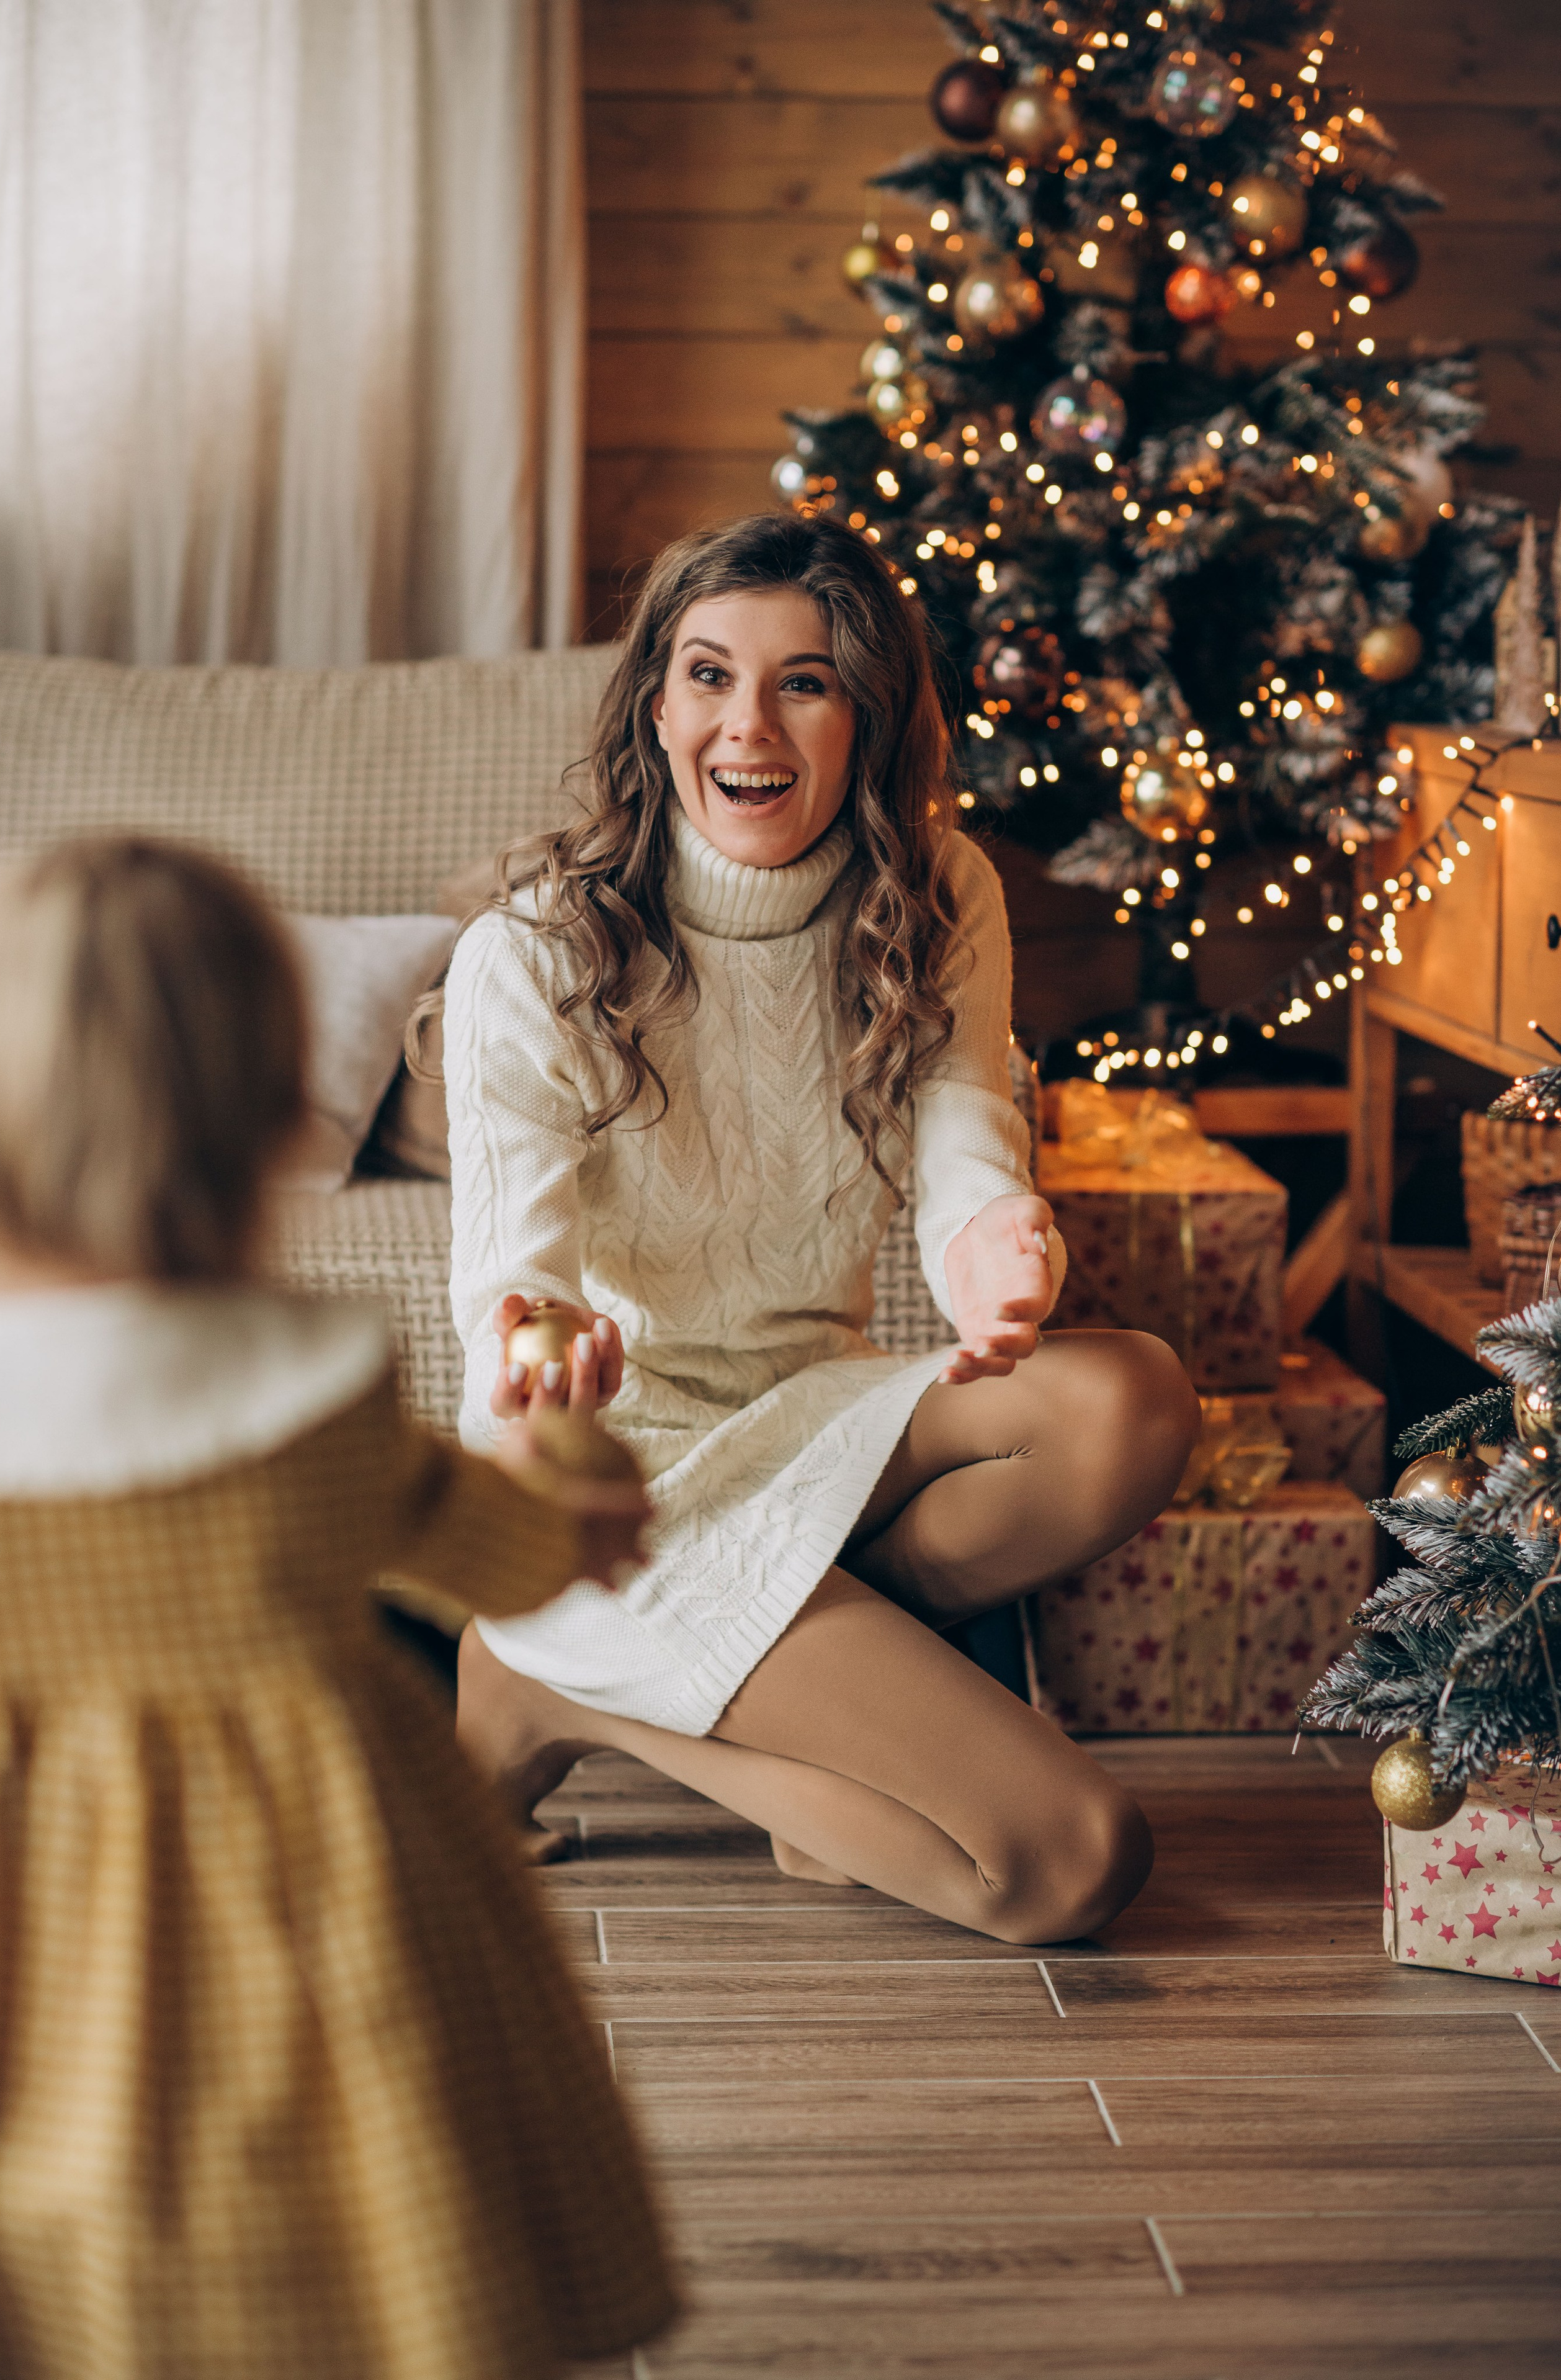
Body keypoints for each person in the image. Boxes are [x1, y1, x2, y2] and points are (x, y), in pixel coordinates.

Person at [0, 838, 674, 2380]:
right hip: (302, 1910)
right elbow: (528, 1555)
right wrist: (569, 1422)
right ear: (254, 1111)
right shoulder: (304, 1397)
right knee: (366, 2233)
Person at [445, 512, 1200, 1944]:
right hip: (619, 1479)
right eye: (709, 674)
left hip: (813, 1415)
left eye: (805, 680)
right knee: (1069, 1862)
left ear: (866, 711)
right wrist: (538, 1334)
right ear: (655, 707)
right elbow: (512, 1269)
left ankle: (775, 1658)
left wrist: (992, 1237)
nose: (752, 722)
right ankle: (546, 1681)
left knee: (1130, 1400)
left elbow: (969, 1130)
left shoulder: (935, 892)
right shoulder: (533, 950)